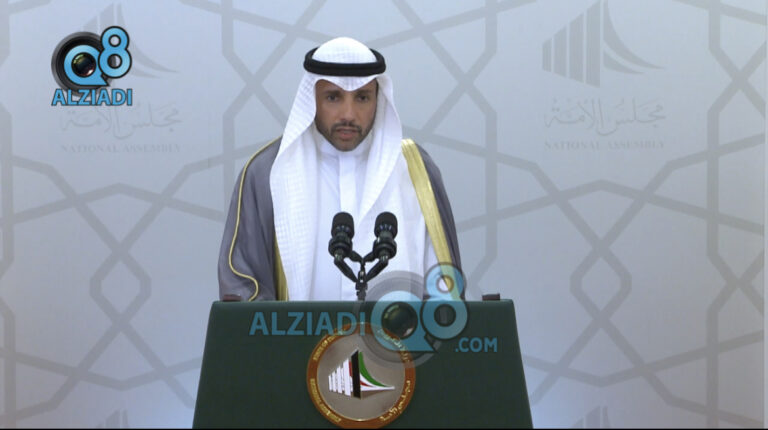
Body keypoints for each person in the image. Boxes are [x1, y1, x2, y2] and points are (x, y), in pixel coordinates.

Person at [218, 37, 461, 301]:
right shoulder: (268, 172)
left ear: (378, 99)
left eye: (362, 98)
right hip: (297, 331)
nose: (348, 114)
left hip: (399, 330)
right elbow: (243, 287)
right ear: (312, 98)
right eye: (333, 97)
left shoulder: (415, 170)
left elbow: (443, 287)